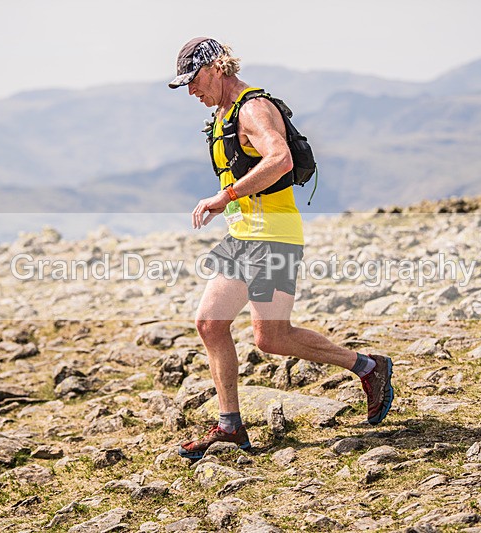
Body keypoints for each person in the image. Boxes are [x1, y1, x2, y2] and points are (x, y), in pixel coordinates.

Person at [168, 37, 394, 459]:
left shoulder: (253, 108)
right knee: (210, 324)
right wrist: (231, 204)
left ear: (217, 67)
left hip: (273, 236)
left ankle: (369, 366)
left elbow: (280, 159)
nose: (191, 91)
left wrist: (227, 196)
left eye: (193, 80)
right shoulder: (223, 113)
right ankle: (230, 427)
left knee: (271, 337)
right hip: (244, 236)